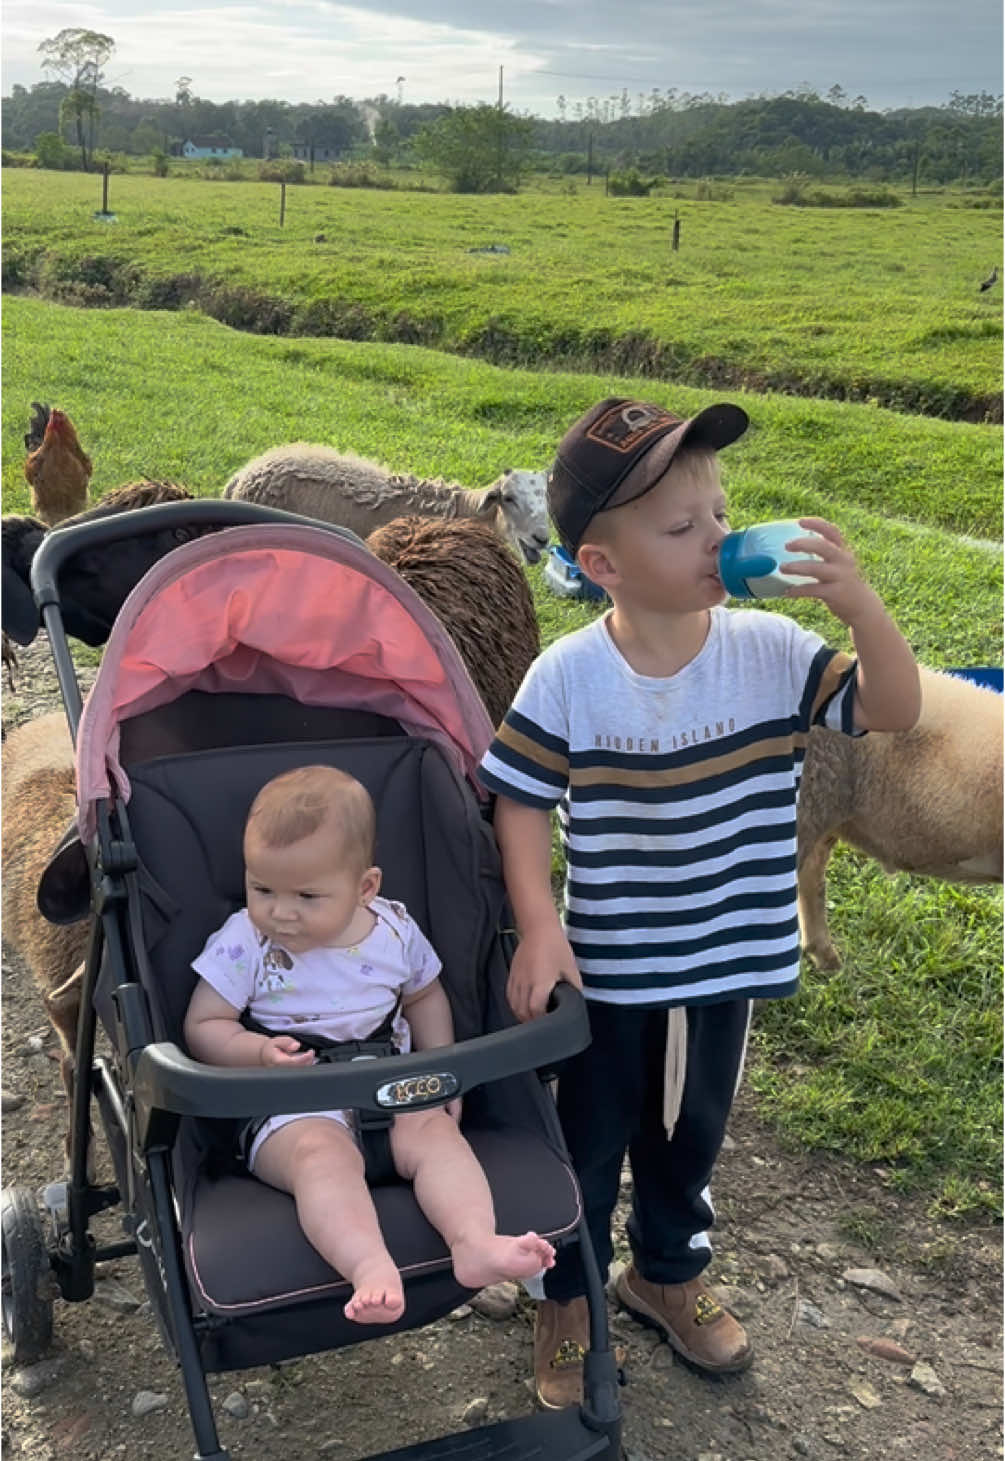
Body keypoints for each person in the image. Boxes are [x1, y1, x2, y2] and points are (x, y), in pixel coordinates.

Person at [478, 396, 921, 1407]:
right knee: (589, 1142)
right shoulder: (570, 677)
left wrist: (861, 609)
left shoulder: (771, 650)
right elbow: (519, 798)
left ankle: (663, 1278)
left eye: (721, 514)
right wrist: (540, 925)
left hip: (727, 965)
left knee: (692, 1138)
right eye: (683, 528)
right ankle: (566, 1296)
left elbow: (894, 709)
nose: (718, 539)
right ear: (604, 566)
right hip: (613, 971)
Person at [184, 764, 555, 1325]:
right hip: (295, 1104)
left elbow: (426, 997)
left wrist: (439, 1068)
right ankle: (369, 1265)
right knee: (321, 1162)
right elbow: (203, 1025)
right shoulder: (245, 942)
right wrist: (255, 1054)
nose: (280, 912)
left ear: (365, 888)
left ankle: (474, 1241)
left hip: (393, 1085)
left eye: (307, 895)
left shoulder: (395, 931)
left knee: (439, 1139)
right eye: (262, 888)